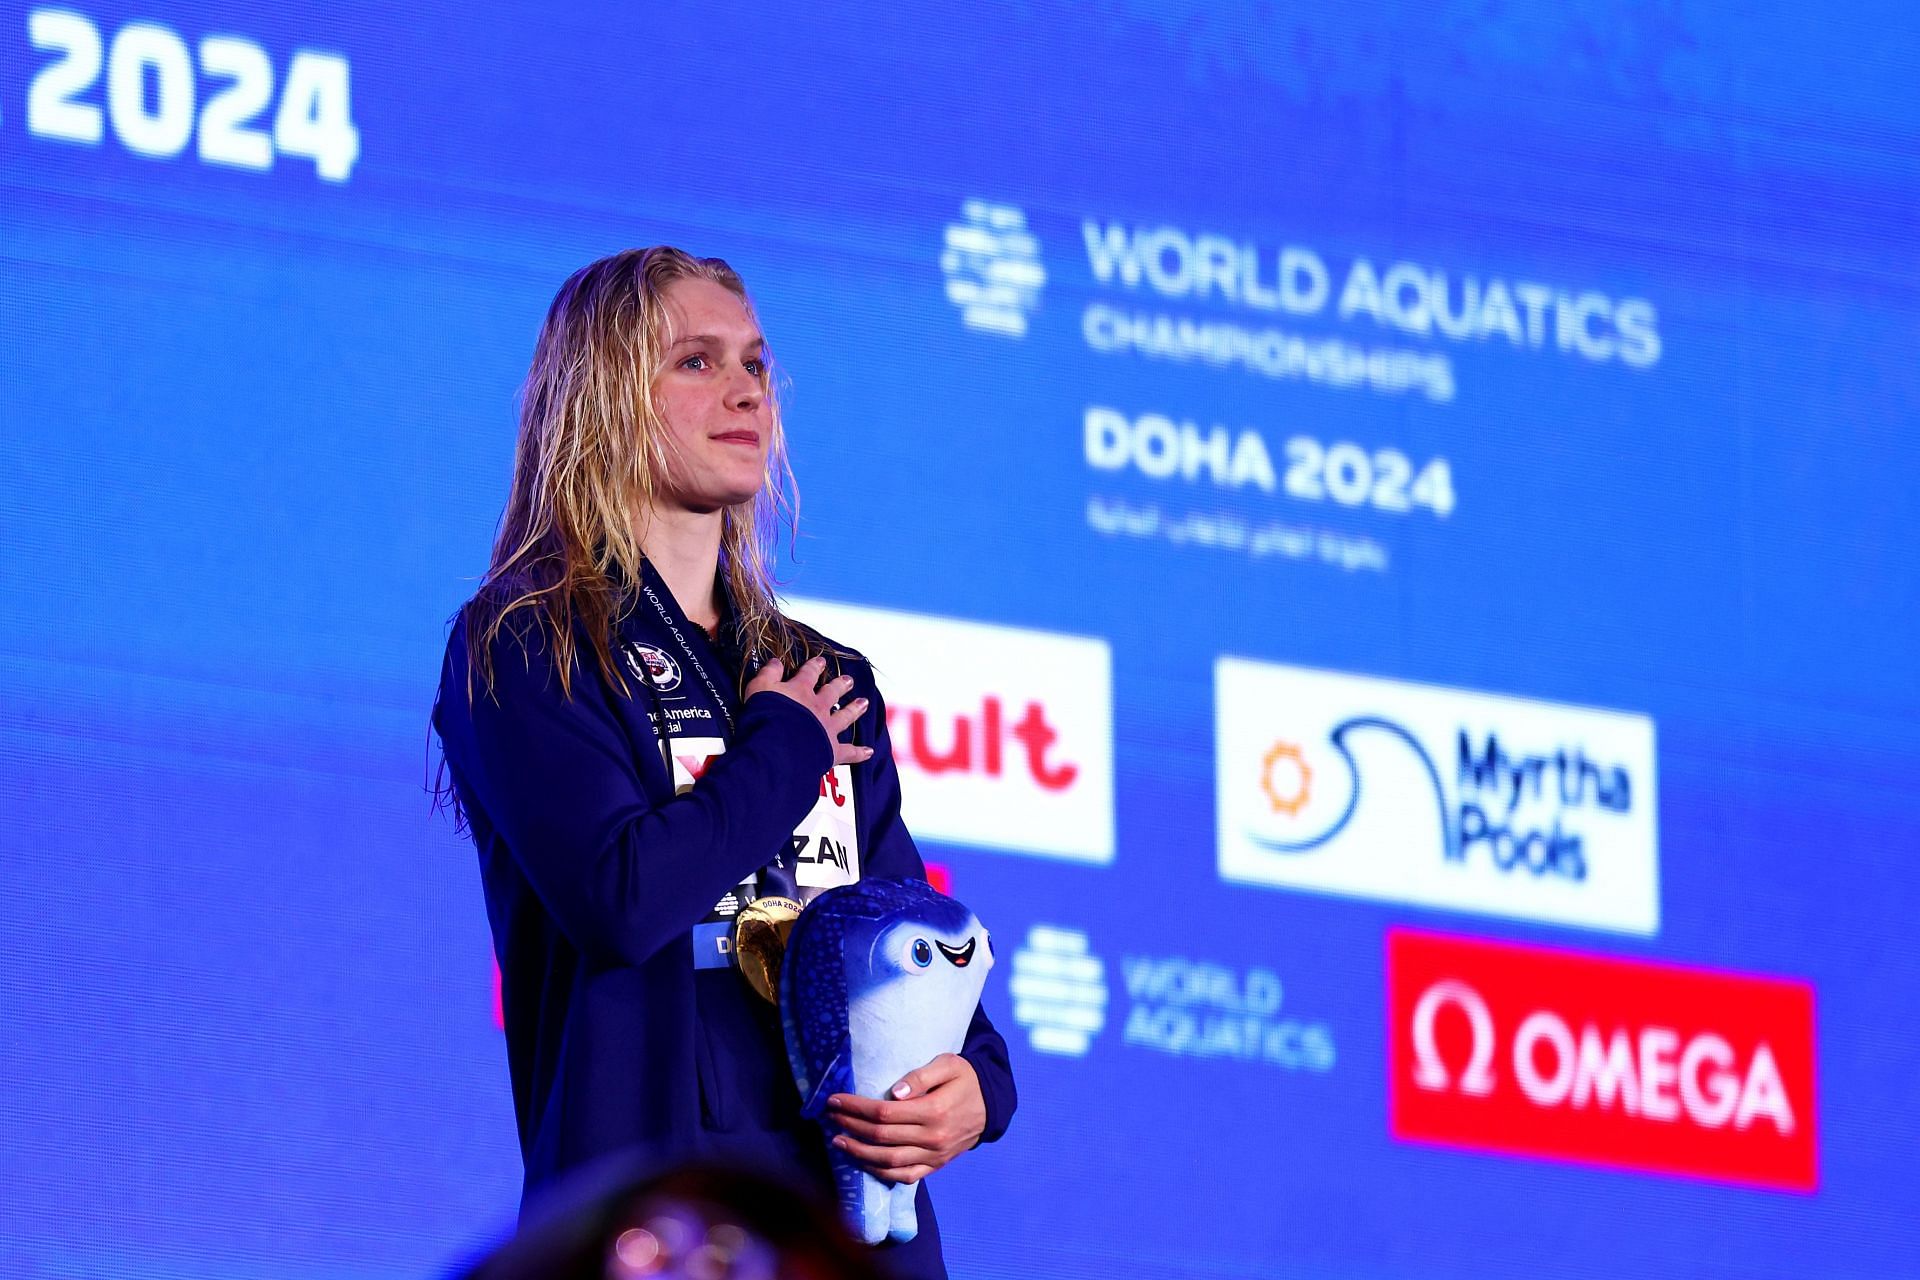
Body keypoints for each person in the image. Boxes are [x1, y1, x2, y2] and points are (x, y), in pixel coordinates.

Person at [432, 247, 1015, 1280]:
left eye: (755, 362)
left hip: (849, 1236)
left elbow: (901, 934)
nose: (745, 387)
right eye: (696, 361)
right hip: (663, 1231)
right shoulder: (528, 640)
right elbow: (621, 895)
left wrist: (978, 1080)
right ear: (604, 397)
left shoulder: (822, 674)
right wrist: (784, 749)